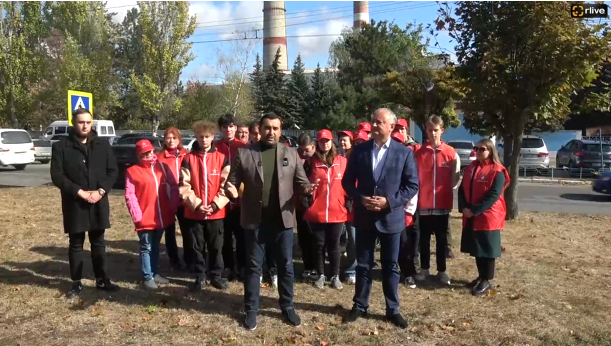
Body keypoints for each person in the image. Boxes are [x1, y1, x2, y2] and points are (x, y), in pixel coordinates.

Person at [225, 112, 317, 331]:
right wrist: (230, 190)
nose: (271, 132)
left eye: (275, 128)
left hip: (282, 221)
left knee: (286, 266)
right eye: (267, 128)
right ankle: (251, 309)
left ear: (280, 130)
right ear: (261, 128)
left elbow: (302, 182)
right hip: (255, 220)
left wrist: (306, 189)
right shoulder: (245, 153)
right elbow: (232, 181)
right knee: (254, 267)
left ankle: (288, 306)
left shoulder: (291, 153)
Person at [341, 108, 419, 329]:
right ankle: (360, 305)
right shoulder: (360, 151)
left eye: (379, 122)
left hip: (390, 218)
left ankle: (392, 309)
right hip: (365, 217)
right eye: (373, 122)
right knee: (363, 265)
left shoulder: (403, 153)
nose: (374, 126)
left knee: (390, 267)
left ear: (391, 127)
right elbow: (347, 182)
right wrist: (360, 198)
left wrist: (390, 202)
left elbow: (412, 185)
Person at [50, 108, 120, 298]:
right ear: (74, 123)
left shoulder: (102, 145)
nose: (85, 126)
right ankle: (76, 282)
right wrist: (79, 192)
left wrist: (100, 191)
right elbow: (57, 175)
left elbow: (112, 171)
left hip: (98, 201)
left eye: (88, 122)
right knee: (76, 244)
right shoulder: (61, 146)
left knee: (98, 242)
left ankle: (101, 279)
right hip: (75, 203)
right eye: (81, 122)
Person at [180, 120, 231, 291]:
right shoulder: (188, 159)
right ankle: (200, 276)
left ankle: (216, 275)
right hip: (195, 212)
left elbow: (226, 185)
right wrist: (198, 204)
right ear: (196, 137)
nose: (204, 140)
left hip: (216, 213)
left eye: (207, 136)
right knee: (197, 246)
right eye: (201, 137)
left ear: (213, 137)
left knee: (216, 246)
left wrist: (216, 205)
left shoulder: (222, 158)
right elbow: (184, 186)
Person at [125, 140, 180, 290]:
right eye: (144, 152)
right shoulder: (132, 171)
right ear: (138, 154)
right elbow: (130, 195)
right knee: (146, 247)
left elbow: (174, 185)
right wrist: (137, 215)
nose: (149, 154)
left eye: (150, 151)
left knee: (155, 246)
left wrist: (173, 205)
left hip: (161, 215)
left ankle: (154, 273)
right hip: (144, 217)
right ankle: (147, 276)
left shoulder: (162, 167)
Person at [458, 139, 509, 296]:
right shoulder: (471, 168)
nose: (479, 151)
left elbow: (493, 195)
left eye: (483, 149)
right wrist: (463, 208)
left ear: (491, 151)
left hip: (488, 216)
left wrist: (475, 210)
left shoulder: (497, 171)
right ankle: (481, 276)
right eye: (476, 148)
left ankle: (487, 280)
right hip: (471, 214)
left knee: (487, 249)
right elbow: (462, 189)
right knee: (477, 248)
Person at [413, 115, 460, 285]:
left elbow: (455, 177)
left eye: (436, 130)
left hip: (442, 205)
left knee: (441, 240)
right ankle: (425, 269)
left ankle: (442, 271)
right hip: (423, 205)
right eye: (430, 130)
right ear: (426, 131)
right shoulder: (419, 154)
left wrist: (447, 192)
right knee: (423, 240)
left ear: (442, 130)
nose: (433, 133)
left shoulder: (450, 153)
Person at [303, 129, 348, 290]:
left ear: (332, 141)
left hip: (337, 211)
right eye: (322, 141)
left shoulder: (342, 161)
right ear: (318, 143)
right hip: (318, 212)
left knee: (334, 246)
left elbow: (349, 184)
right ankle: (321, 274)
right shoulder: (311, 163)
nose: (325, 143)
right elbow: (304, 184)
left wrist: (346, 204)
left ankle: (335, 275)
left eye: (328, 140)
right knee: (319, 245)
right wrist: (309, 198)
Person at [215, 113, 247, 281]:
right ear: (221, 129)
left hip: (240, 201)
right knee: (225, 236)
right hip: (221, 200)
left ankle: (242, 267)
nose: (228, 129)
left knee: (241, 236)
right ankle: (228, 267)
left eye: (231, 126)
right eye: (225, 127)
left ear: (236, 128)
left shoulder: (244, 147)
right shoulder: (215, 148)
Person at [157, 127, 191, 271]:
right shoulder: (159, 157)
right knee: (169, 232)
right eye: (168, 138)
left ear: (179, 140)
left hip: (184, 199)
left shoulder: (187, 155)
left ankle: (189, 259)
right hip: (167, 199)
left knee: (187, 231)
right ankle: (174, 260)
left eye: (174, 138)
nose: (171, 141)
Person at [391, 132, 419, 289]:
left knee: (405, 244)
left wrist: (408, 211)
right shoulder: (384, 159)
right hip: (387, 209)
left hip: (403, 211)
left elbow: (413, 188)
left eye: (398, 142)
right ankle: (392, 271)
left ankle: (408, 274)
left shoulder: (407, 160)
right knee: (390, 244)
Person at [296, 133, 316, 280]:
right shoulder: (296, 158)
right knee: (303, 238)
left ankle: (317, 267)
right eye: (301, 150)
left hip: (316, 205)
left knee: (316, 238)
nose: (304, 153)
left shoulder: (317, 160)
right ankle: (308, 266)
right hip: (300, 205)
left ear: (313, 147)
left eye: (307, 150)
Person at [338, 130, 357, 285]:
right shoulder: (337, 157)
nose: (342, 143)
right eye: (341, 140)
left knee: (354, 239)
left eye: (345, 140)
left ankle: (352, 270)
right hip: (338, 204)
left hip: (352, 204)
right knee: (340, 240)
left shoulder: (355, 157)